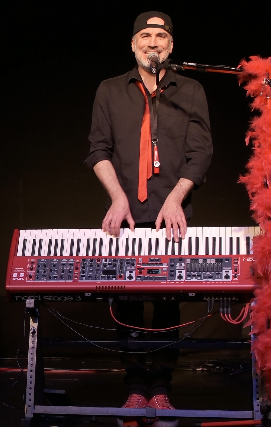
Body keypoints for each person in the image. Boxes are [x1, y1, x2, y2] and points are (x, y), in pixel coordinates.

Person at [83, 11, 213, 410]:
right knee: (127, 304)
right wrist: (118, 197)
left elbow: (201, 152)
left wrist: (176, 197)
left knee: (168, 304)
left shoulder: (190, 90)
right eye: (145, 35)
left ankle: (161, 388)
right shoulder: (109, 89)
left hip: (172, 214)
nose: (153, 42)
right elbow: (97, 151)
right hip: (124, 216)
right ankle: (135, 386)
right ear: (133, 44)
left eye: (160, 36)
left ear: (171, 45)